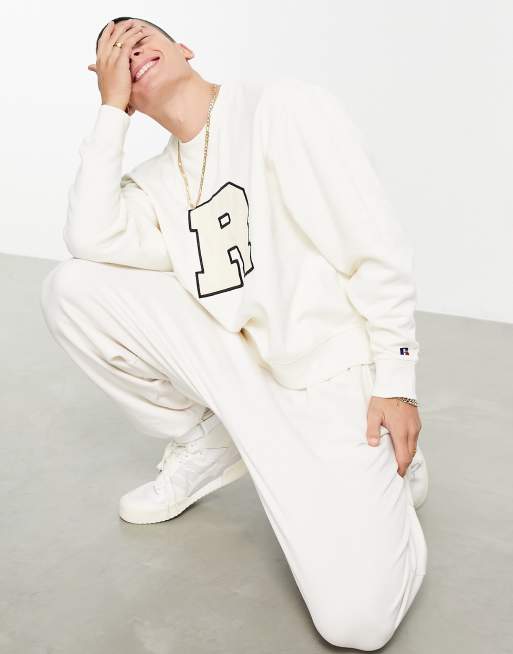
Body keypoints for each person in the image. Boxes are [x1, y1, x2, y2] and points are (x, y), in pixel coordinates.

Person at [40, 15, 428, 651]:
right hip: (244, 370)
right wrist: (111, 113)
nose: (131, 50)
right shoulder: (157, 182)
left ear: (184, 48)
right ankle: (209, 441)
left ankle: (394, 479)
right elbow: (88, 237)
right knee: (70, 287)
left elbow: (375, 247)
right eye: (114, 52)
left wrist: (398, 381)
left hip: (332, 375)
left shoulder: (281, 109)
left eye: (141, 36)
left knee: (357, 623)